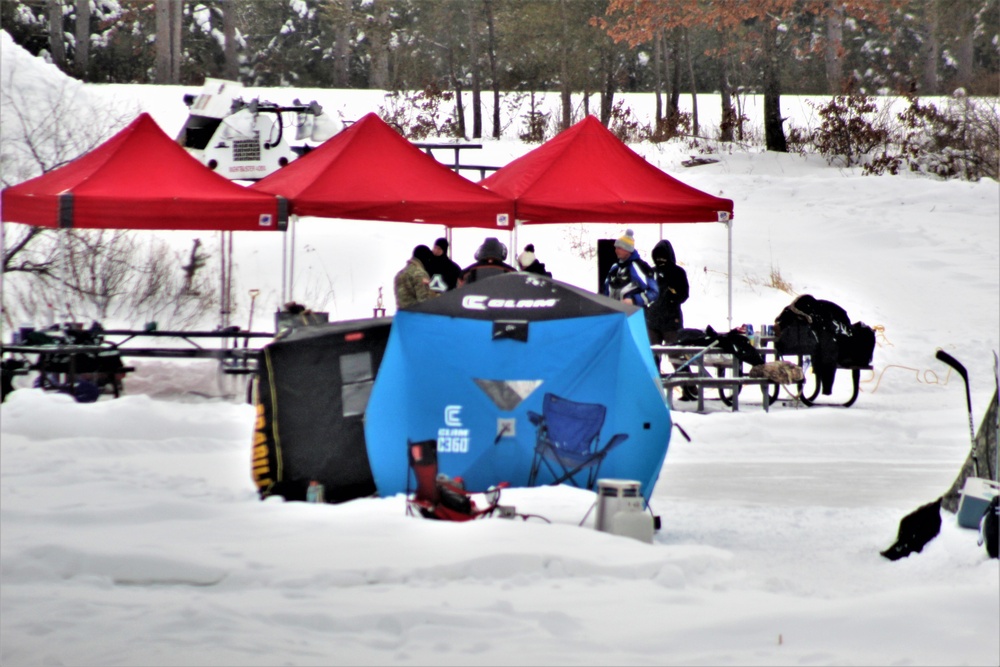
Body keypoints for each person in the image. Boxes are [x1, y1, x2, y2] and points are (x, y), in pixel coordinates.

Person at [645, 239, 689, 346]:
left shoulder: (678, 272)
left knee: (677, 355)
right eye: (658, 257)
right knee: (651, 356)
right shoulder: (651, 272)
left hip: (672, 322)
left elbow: (684, 294)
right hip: (652, 322)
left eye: (663, 257)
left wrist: (673, 297)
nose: (661, 260)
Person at [600, 229, 658, 307]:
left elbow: (654, 292)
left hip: (633, 315)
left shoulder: (639, 267)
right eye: (616, 248)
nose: (616, 250)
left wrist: (634, 300)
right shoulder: (614, 268)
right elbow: (605, 291)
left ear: (628, 250)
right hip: (614, 314)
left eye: (619, 248)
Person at [394, 245, 440, 309]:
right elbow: (425, 302)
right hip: (417, 316)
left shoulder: (400, 274)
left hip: (403, 316)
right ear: (425, 258)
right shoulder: (420, 274)